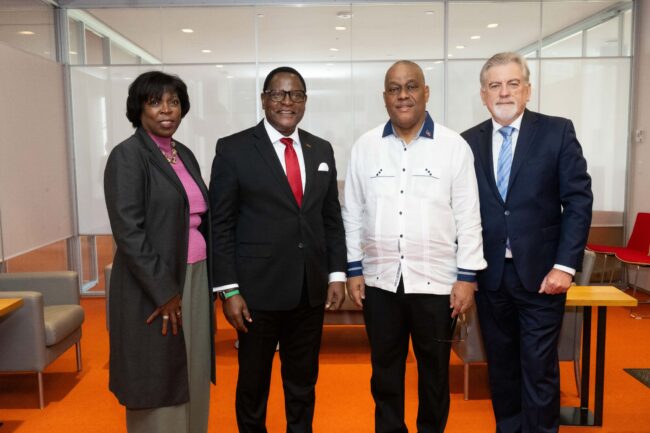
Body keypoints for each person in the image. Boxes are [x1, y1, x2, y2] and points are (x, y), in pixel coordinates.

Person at [343, 60, 487, 433]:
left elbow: (469, 215)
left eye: (411, 86)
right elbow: (352, 212)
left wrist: (467, 277)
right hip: (380, 283)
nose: (402, 95)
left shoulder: (454, 147)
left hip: (438, 286)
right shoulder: (365, 146)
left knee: (434, 374)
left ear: (426, 92)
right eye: (394, 88)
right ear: (385, 96)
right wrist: (354, 268)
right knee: (385, 373)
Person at [209, 66, 347, 433]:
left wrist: (335, 273)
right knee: (253, 386)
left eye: (296, 95)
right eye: (278, 94)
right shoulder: (234, 149)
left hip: (308, 291)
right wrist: (229, 290)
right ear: (264, 100)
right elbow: (220, 224)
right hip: (255, 294)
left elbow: (330, 218)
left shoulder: (322, 148)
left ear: (304, 101)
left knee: (302, 384)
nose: (287, 102)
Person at [461, 52, 593, 433]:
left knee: (538, 368)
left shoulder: (557, 131)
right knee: (501, 369)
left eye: (513, 83)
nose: (504, 92)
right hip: (490, 279)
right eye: (495, 85)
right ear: (484, 95)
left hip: (542, 276)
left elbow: (579, 201)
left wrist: (565, 266)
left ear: (528, 90)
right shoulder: (467, 142)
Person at [104, 71, 214, 433]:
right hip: (154, 288)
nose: (166, 110)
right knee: (157, 376)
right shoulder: (128, 156)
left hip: (194, 278)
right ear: (139, 108)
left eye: (174, 101)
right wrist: (165, 292)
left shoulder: (184, 155)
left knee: (192, 368)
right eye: (155, 102)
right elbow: (129, 233)